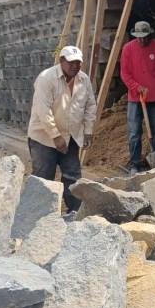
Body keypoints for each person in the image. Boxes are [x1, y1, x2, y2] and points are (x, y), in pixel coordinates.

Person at [27, 45, 96, 213]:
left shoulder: (83, 80)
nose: (75, 66)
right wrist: (55, 136)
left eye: (78, 62)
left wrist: (88, 131)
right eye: (71, 62)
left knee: (73, 176)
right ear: (62, 61)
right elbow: (43, 111)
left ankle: (75, 213)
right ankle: (39, 216)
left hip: (70, 137)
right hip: (43, 139)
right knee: (44, 179)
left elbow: (90, 106)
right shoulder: (46, 78)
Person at [119, 20, 155, 173]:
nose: (142, 40)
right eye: (139, 37)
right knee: (134, 133)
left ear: (150, 34)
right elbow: (125, 74)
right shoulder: (128, 49)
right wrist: (138, 87)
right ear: (135, 35)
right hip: (135, 99)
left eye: (145, 37)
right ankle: (134, 165)